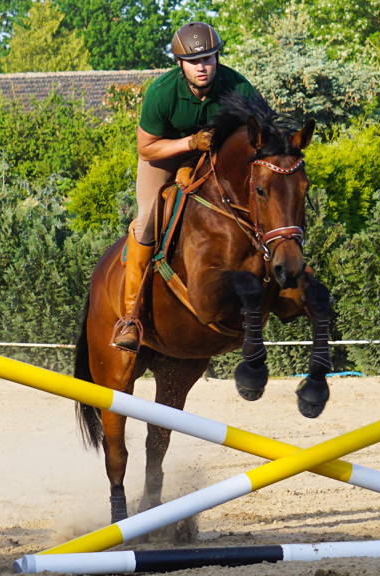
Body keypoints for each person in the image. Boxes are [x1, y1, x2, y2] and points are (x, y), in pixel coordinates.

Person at [111, 21, 258, 352]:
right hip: (163, 159)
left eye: (208, 58)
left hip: (214, 160)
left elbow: (259, 136)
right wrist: (191, 142)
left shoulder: (238, 86)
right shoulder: (162, 93)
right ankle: (130, 318)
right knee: (148, 220)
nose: (202, 67)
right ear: (180, 64)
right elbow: (147, 148)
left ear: (217, 58)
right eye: (194, 62)